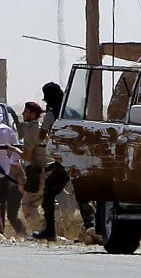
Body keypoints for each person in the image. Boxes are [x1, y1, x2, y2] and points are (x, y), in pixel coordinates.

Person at [34, 81, 94, 241]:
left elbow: (42, 134)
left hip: (64, 158)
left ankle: (50, 230)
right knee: (81, 192)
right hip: (79, 156)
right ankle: (91, 228)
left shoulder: (52, 113)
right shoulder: (72, 111)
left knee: (49, 193)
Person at [0, 103, 26, 236]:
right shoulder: (6, 130)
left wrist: (13, 162)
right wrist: (13, 162)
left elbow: (15, 149)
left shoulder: (2, 131)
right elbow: (16, 150)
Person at [17, 101, 52, 225]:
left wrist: (12, 150)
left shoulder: (31, 130)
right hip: (46, 170)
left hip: (39, 173)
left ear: (32, 114)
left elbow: (27, 156)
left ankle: (42, 229)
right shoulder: (39, 127)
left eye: (26, 112)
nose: (23, 114)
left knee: (28, 205)